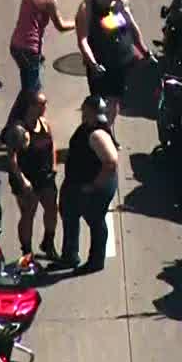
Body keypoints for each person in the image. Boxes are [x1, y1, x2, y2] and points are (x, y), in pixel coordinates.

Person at [75, 0, 149, 131]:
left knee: (115, 101)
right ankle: (93, 134)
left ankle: (108, 132)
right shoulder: (87, 8)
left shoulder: (122, 2)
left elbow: (133, 27)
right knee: (99, 104)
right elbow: (83, 40)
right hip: (100, 65)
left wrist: (144, 50)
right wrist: (93, 64)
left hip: (121, 63)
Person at [7, 0, 74, 124]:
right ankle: (19, 127)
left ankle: (15, 125)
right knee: (33, 92)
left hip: (17, 46)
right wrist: (79, 22)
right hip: (28, 49)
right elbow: (61, 25)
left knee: (29, 89)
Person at [58, 95, 119, 273]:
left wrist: (94, 186)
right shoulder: (89, 127)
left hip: (91, 188)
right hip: (78, 185)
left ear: (90, 111)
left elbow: (111, 162)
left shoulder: (97, 133)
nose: (82, 113)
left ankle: (96, 261)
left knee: (95, 220)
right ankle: (70, 256)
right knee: (69, 214)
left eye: (84, 110)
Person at [5, 91, 58, 262]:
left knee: (52, 208)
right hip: (26, 178)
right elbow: (12, 159)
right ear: (30, 106)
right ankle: (26, 253)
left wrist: (54, 166)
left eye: (45, 103)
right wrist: (23, 181)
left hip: (45, 175)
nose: (44, 108)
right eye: (40, 104)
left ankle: (48, 243)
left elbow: (52, 144)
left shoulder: (44, 124)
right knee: (28, 213)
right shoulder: (19, 129)